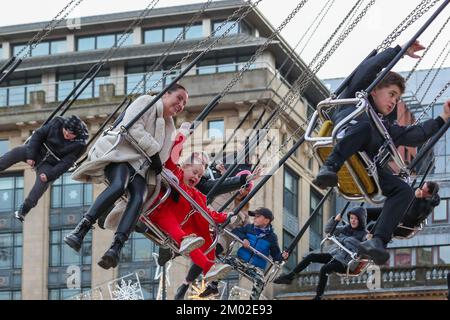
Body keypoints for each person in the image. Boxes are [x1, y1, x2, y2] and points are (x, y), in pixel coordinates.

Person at [311, 40, 450, 264]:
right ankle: (330, 168)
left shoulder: (384, 125)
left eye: (397, 98)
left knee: (403, 190)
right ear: (375, 89)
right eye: (391, 94)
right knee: (365, 126)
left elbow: (415, 135)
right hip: (344, 144)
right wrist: (399, 51)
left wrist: (443, 118)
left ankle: (378, 241)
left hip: (365, 166)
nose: (394, 102)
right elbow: (368, 69)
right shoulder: (357, 98)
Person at [64, 83, 188, 270]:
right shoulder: (147, 102)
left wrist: (161, 169)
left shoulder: (169, 126)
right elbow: (133, 127)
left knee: (139, 197)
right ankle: (81, 229)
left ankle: (116, 247)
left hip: (138, 167)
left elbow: (161, 158)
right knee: (119, 185)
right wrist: (153, 153)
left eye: (184, 104)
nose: (181, 105)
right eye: (179, 98)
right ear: (165, 94)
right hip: (120, 154)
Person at [143, 127, 233, 301]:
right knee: (183, 236)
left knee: (200, 236)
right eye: (194, 172)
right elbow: (171, 156)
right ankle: (207, 266)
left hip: (181, 227)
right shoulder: (175, 172)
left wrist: (226, 216)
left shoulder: (195, 194)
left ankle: (209, 267)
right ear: (184, 167)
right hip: (161, 212)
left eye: (200, 176)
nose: (197, 177)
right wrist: (183, 135)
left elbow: (208, 212)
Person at [0, 115, 88, 221]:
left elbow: (66, 163)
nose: (67, 134)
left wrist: (49, 175)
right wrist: (31, 156)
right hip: (37, 150)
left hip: (50, 164)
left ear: (76, 134)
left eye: (71, 134)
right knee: (15, 153)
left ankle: (24, 208)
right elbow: (38, 135)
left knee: (41, 185)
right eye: (65, 131)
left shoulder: (80, 144)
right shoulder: (56, 123)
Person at [273, 207, 368, 300]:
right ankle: (290, 276)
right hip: (336, 256)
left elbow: (363, 247)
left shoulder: (365, 235)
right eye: (351, 218)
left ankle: (319, 296)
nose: (353, 221)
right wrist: (335, 220)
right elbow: (328, 230)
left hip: (347, 264)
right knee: (311, 257)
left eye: (356, 219)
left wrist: (346, 239)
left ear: (361, 220)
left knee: (325, 269)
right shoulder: (346, 228)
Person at [207, 207, 288, 299]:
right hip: (240, 260)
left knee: (261, 281)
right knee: (225, 262)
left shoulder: (272, 237)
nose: (254, 218)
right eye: (254, 216)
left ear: (266, 221)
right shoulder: (249, 228)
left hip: (255, 267)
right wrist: (244, 238)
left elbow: (276, 255)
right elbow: (236, 231)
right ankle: (213, 287)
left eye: (257, 217)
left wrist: (282, 256)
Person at [366, 181, 440, 238]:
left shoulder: (428, 206)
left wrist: (417, 199)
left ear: (429, 195)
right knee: (367, 213)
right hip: (396, 211)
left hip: (404, 225)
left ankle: (367, 245)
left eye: (424, 191)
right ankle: (358, 230)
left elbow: (412, 215)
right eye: (422, 188)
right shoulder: (420, 190)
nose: (421, 190)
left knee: (373, 228)